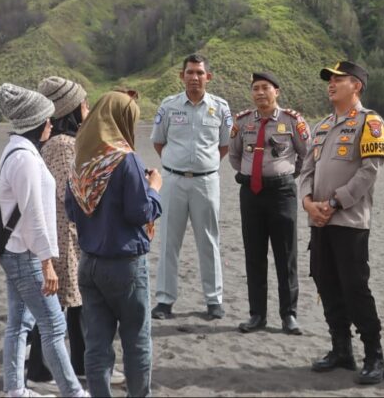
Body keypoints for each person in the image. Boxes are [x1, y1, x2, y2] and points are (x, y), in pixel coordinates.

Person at [298, 61, 384, 385]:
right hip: (319, 222)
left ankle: (374, 355)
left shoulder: (369, 122)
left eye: (338, 80)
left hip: (349, 222)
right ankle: (341, 349)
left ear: (357, 86)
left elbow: (370, 170)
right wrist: (309, 203)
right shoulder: (322, 126)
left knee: (355, 289)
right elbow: (307, 171)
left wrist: (335, 202)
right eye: (330, 80)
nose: (331, 85)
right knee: (326, 284)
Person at [0, 83, 87, 398]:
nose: (51, 123)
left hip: (18, 251)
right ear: (34, 122)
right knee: (54, 326)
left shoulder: (19, 151)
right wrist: (47, 264)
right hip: (26, 255)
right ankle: (74, 392)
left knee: (19, 324)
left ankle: (15, 389)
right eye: (46, 119)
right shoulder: (26, 159)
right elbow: (34, 214)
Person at [66, 91, 162, 397]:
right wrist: (154, 189)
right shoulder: (125, 159)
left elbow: (71, 209)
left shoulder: (81, 158)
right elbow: (141, 212)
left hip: (89, 263)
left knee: (96, 346)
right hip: (124, 266)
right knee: (136, 342)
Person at [150, 53, 232, 320]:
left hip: (206, 182)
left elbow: (224, 145)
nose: (194, 77)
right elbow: (158, 142)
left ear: (208, 76)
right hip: (173, 181)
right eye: (189, 72)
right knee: (168, 242)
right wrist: (178, 165)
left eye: (199, 73)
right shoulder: (169, 106)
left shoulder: (220, 107)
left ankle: (213, 300)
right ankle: (164, 300)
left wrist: (201, 166)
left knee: (208, 240)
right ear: (181, 76)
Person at [229, 72, 309, 335]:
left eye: (265, 88)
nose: (260, 93)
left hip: (282, 193)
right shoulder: (242, 122)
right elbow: (235, 155)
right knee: (254, 255)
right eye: (255, 89)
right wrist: (254, 174)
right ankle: (257, 315)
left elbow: (305, 155)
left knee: (285, 255)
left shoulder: (292, 121)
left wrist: (285, 175)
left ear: (277, 91)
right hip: (251, 195)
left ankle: (289, 315)